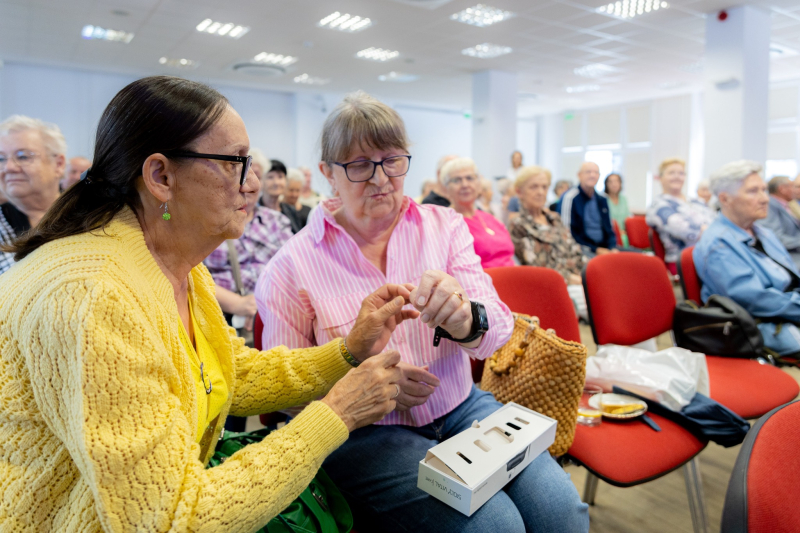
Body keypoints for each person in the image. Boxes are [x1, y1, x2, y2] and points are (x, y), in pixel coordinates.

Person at [0, 76, 413, 531]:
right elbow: (175, 519)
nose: (253, 180)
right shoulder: (96, 297)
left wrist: (348, 350)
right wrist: (336, 414)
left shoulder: (175, 262)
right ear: (161, 176)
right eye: (235, 161)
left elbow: (228, 374)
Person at [256, 92, 588, 533]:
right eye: (359, 165)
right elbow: (283, 393)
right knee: (494, 526)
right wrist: (362, 378)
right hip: (363, 434)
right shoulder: (289, 267)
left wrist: (465, 317)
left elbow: (499, 330)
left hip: (460, 405)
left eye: (392, 160)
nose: (380, 179)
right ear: (328, 175)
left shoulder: (444, 226)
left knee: (560, 509)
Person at [694, 160, 800, 357]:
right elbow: (755, 300)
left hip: (787, 311)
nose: (765, 198)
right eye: (753, 191)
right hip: (761, 325)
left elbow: (792, 276)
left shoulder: (764, 233)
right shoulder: (718, 244)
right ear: (725, 199)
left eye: (764, 190)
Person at [203, 167, 293, 331]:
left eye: (256, 177)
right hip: (221, 315)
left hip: (274, 312)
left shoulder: (277, 221)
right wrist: (236, 303)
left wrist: (263, 303)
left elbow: (293, 268)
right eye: (239, 179)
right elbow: (190, 274)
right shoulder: (209, 223)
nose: (249, 185)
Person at [509, 166, 588, 320]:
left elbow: (576, 251)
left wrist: (586, 277)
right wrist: (574, 279)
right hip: (555, 288)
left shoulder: (555, 218)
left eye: (544, 187)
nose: (540, 192)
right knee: (609, 307)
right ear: (519, 192)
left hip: (578, 281)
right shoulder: (518, 224)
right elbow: (537, 267)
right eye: (534, 187)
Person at [0, 115, 66, 275]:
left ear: (58, 164)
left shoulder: (89, 214)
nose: (9, 167)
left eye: (23, 156)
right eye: (1, 158)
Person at [442, 157, 515, 268]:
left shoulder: (489, 218)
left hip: (512, 278)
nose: (465, 184)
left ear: (479, 183)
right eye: (457, 180)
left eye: (470, 178)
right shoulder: (446, 223)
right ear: (446, 188)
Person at [646, 158, 715, 269]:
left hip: (712, 256)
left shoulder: (696, 201)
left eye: (681, 173)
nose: (677, 176)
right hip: (685, 262)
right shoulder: (658, 206)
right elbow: (688, 231)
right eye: (671, 173)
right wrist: (716, 231)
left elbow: (718, 222)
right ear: (660, 177)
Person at [560, 161, 618, 258]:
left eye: (596, 172)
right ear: (579, 175)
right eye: (588, 172)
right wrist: (595, 249)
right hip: (582, 249)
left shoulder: (602, 199)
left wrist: (612, 247)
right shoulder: (570, 197)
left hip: (605, 248)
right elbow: (567, 233)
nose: (592, 175)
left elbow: (609, 229)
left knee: (637, 258)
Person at [757, 175, 800, 267]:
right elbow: (776, 237)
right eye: (792, 186)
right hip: (789, 256)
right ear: (782, 189)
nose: (795, 190)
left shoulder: (788, 205)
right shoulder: (769, 206)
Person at [259, 159, 302, 233]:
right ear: (261, 180)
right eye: (270, 177)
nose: (276, 182)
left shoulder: (290, 210)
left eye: (280, 177)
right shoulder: (254, 211)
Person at [605, 173, 630, 247]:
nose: (614, 184)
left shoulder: (623, 199)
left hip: (624, 232)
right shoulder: (603, 199)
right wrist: (618, 231)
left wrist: (625, 231)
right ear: (606, 184)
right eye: (610, 182)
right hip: (610, 233)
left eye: (616, 181)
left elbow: (627, 217)